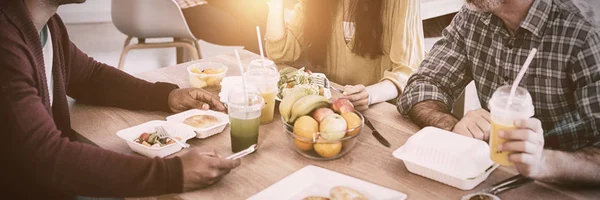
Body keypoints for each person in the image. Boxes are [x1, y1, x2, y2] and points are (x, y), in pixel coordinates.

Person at [0, 0, 240, 199]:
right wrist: (172, 174)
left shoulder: (46, 26)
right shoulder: (6, 44)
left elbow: (90, 77)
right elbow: (47, 157)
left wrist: (165, 96)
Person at [398, 0, 600, 185]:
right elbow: (422, 85)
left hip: (564, 188)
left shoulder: (586, 34)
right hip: (490, 178)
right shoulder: (473, 15)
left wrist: (544, 162)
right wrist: (452, 127)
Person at [264, 0, 425, 111]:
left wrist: (369, 95)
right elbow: (280, 51)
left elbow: (407, 72)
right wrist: (276, 4)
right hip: (325, 107)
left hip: (378, 112)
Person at [176, 0, 268, 53]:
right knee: (257, 33)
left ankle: (252, 65)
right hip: (186, 8)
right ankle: (250, 68)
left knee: (263, 14)